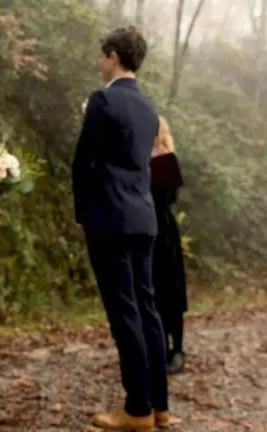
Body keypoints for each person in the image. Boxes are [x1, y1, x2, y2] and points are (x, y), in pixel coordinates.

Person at [71, 27, 181, 430]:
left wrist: (82, 213)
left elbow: (85, 163)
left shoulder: (104, 100)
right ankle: (160, 406)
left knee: (125, 313)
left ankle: (137, 409)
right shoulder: (150, 108)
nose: (100, 63)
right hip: (144, 218)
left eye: (102, 56)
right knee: (148, 310)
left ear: (113, 56)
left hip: (110, 219)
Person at [150, 116, 188, 375]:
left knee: (170, 288)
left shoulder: (166, 158)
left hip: (162, 227)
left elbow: (168, 195)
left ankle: (177, 349)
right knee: (153, 288)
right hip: (147, 225)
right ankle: (160, 346)